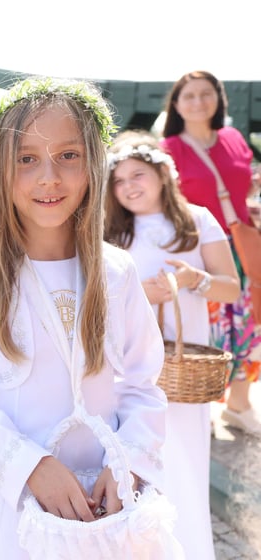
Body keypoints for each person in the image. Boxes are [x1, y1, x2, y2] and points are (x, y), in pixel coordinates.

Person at [0, 78, 169, 558]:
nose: (49, 178)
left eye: (68, 156)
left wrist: (128, 464)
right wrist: (29, 466)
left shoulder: (116, 272)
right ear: (0, 170)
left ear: (92, 168)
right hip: (17, 507)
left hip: (111, 502)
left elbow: (144, 383)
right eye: (27, 159)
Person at [105, 130, 239, 560]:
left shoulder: (198, 220)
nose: (129, 186)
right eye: (119, 180)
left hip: (184, 371)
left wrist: (188, 280)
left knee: (183, 459)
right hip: (128, 368)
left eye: (137, 175)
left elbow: (231, 288)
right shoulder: (111, 233)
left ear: (162, 174)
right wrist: (140, 295)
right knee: (135, 460)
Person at [160, 70, 261, 434]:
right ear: (176, 104)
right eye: (189, 95)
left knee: (250, 325)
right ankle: (201, 407)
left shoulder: (233, 138)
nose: (199, 101)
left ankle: (239, 404)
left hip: (243, 243)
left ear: (219, 98)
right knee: (212, 329)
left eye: (207, 93)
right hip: (202, 250)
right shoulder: (169, 149)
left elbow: (243, 182)